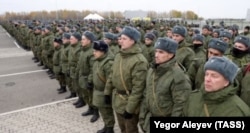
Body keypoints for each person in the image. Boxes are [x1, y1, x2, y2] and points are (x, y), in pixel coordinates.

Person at [139, 37, 191, 132]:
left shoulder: (178, 76)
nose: (156, 55)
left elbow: (181, 106)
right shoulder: (152, 70)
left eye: (161, 52)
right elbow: (147, 95)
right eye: (156, 51)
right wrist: (142, 117)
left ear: (171, 54)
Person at [104, 26, 148, 133]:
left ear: (132, 41)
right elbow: (112, 75)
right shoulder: (119, 55)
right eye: (120, 38)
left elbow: (138, 89)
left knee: (130, 130)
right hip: (118, 100)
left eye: (124, 39)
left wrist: (130, 109)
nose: (121, 41)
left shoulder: (139, 61)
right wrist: (107, 92)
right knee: (123, 128)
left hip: (130, 102)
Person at [183, 56, 250, 116]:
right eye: (206, 74)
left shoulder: (238, 111)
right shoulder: (193, 98)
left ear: (226, 82)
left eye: (214, 76)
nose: (207, 79)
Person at [92, 40, 115, 133]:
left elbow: (110, 80)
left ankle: (110, 128)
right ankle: (106, 126)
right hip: (98, 91)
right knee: (103, 111)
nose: (94, 53)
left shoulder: (108, 63)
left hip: (105, 92)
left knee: (107, 111)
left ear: (103, 52)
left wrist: (107, 93)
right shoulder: (98, 61)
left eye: (96, 51)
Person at [77, 31, 99, 122]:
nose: (81, 41)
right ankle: (90, 109)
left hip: (88, 78)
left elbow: (93, 68)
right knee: (86, 96)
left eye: (83, 39)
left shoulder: (91, 52)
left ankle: (96, 112)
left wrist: (90, 80)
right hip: (83, 77)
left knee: (91, 96)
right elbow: (80, 64)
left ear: (89, 40)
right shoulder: (83, 50)